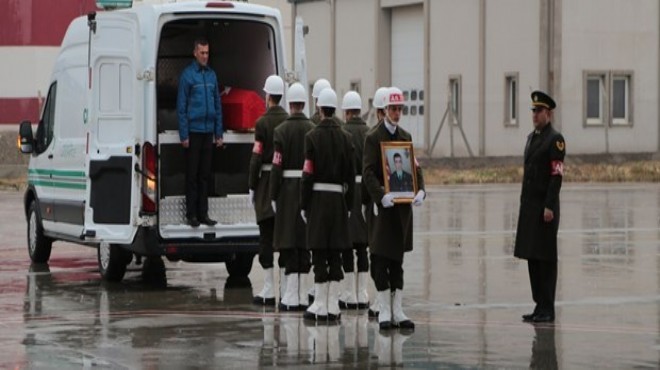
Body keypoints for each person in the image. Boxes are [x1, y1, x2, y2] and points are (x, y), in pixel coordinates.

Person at [362, 87, 425, 331]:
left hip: (400, 209)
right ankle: (384, 309)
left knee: (397, 260)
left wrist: (421, 189)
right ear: (384, 110)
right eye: (393, 109)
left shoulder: (405, 136)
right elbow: (367, 172)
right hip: (383, 208)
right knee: (379, 258)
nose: (397, 113)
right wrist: (380, 196)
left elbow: (415, 167)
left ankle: (397, 309)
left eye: (400, 109)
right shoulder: (373, 137)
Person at [301, 88, 355, 323]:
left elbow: (307, 174)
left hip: (319, 201)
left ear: (320, 108)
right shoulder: (347, 138)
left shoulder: (311, 137)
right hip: (338, 201)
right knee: (336, 252)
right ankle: (333, 304)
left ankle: (320, 303)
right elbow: (351, 176)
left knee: (319, 252)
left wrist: (304, 204)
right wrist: (349, 204)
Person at [515, 90, 565, 323]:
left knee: (545, 259)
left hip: (545, 209)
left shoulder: (555, 139)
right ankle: (538, 305)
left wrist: (549, 206)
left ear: (549, 113)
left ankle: (548, 307)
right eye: (533, 111)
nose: (535, 115)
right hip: (530, 208)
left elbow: (556, 176)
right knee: (533, 258)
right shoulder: (532, 138)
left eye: (539, 111)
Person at [270, 83, 315, 311]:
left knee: (288, 241)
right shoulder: (312, 128)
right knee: (304, 241)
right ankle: (304, 293)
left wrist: (273, 193)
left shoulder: (281, 131)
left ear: (289, 103)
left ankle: (291, 294)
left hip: (287, 190)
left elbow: (277, 166)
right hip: (306, 188)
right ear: (305, 103)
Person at [249, 74, 289, 306]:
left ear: (267, 96)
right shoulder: (287, 119)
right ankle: (285, 288)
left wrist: (251, 185)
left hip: (265, 181)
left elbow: (256, 157)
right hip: (284, 185)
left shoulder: (262, 123)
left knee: (266, 235)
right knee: (283, 236)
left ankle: (268, 288)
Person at [177, 38, 223, 227]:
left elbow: (218, 105)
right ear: (195, 53)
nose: (205, 56)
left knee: (205, 175)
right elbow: (181, 106)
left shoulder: (212, 76)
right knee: (192, 176)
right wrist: (184, 134)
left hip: (208, 132)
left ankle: (203, 214)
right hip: (194, 132)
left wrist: (218, 133)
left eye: (207, 53)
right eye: (202, 53)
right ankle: (191, 215)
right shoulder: (188, 76)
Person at [338, 91, 370, 310]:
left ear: (347, 112)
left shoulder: (343, 132)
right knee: (363, 247)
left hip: (349, 191)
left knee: (348, 245)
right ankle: (364, 293)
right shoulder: (370, 133)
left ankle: (349, 293)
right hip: (366, 191)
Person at [365, 86, 389, 319]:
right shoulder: (372, 136)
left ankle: (385, 303)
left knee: (381, 255)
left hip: (381, 203)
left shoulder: (372, 137)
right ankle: (384, 301)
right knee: (382, 255)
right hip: (382, 200)